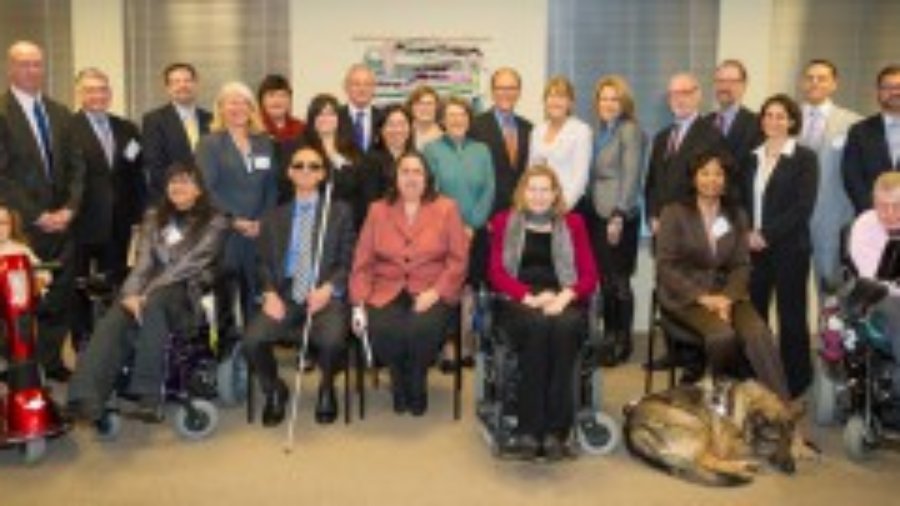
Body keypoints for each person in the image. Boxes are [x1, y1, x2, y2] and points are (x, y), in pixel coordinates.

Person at [67, 163, 228, 422]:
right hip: (148, 292)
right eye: (173, 182)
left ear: (199, 189)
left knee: (155, 301)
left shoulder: (215, 220)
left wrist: (146, 292)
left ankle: (148, 393)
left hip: (188, 291)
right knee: (115, 317)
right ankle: (84, 396)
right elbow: (143, 263)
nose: (178, 186)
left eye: (186, 181)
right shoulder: (154, 217)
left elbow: (191, 263)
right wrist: (130, 294)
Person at [656, 150, 790, 401]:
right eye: (705, 173)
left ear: (726, 179)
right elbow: (666, 267)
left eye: (718, 173)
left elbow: (741, 264)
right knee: (722, 335)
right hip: (685, 297)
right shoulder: (674, 213)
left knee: (758, 332)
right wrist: (704, 298)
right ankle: (721, 401)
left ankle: (780, 409)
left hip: (728, 293)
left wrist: (727, 298)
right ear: (694, 178)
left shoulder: (736, 214)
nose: (712, 179)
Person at [488, 165, 599, 460]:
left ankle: (556, 432)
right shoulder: (504, 221)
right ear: (523, 192)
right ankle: (528, 429)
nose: (538, 196)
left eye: (544, 190)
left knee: (563, 330)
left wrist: (563, 297)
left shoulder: (573, 224)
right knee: (536, 328)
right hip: (518, 299)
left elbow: (589, 275)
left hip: (563, 296)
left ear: (555, 194)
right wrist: (529, 297)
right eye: (532, 189)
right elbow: (497, 272)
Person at [242, 145, 355, 426]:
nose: (306, 171)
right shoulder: (272, 217)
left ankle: (327, 387)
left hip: (324, 291)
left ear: (322, 175)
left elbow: (348, 260)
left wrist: (329, 288)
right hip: (285, 292)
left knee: (331, 340)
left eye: (314, 166)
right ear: (290, 172)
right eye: (300, 165)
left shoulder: (339, 212)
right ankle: (275, 390)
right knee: (252, 340)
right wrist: (268, 292)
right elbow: (262, 263)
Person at [350, 151, 469, 416]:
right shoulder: (377, 209)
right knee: (382, 327)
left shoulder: (446, 208)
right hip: (385, 288)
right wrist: (358, 302)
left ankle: (417, 380)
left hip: (431, 288)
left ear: (427, 178)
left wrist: (437, 292)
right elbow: (362, 261)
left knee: (421, 329)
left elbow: (458, 259)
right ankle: (397, 377)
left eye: (418, 172)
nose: (411, 177)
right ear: (396, 177)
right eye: (405, 171)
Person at [0, 40, 86, 380]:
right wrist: (37, 214)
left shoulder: (60, 112)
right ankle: (17, 364)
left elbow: (77, 167)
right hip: (22, 225)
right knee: (16, 301)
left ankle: (50, 361)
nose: (32, 70)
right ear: (10, 68)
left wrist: (70, 209)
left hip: (63, 224)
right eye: (24, 64)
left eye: (37, 64)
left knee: (59, 296)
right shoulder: (2, 112)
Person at [744, 94, 819, 399]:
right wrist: (749, 232)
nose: (773, 121)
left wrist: (767, 234)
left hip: (789, 248)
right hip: (753, 249)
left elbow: (803, 207)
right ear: (761, 121)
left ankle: (796, 379)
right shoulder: (752, 157)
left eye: (780, 116)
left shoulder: (804, 158)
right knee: (755, 316)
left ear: (791, 121)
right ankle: (759, 373)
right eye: (768, 115)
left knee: (791, 316)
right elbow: (741, 200)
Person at [195, 81, 278, 354]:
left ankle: (257, 360)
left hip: (258, 234)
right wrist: (234, 220)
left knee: (257, 299)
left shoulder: (264, 142)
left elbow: (272, 187)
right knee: (225, 302)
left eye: (243, 102)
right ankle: (226, 363)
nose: (238, 108)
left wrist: (262, 222)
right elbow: (207, 189)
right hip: (226, 234)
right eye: (231, 102)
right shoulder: (209, 144)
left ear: (252, 108)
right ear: (220, 108)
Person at [69, 67, 145, 348]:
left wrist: (141, 216)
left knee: (117, 283)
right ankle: (81, 342)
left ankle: (112, 341)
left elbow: (137, 174)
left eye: (103, 89)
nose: (98, 95)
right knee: (79, 286)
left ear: (110, 93)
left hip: (120, 222)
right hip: (82, 221)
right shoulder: (67, 128)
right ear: (79, 94)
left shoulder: (127, 128)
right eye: (90, 90)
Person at [422, 96, 494, 368]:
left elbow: (489, 190)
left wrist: (472, 225)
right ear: (442, 120)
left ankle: (467, 345)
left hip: (476, 232)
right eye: (450, 115)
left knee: (470, 289)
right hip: (443, 232)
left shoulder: (482, 150)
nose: (456, 120)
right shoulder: (431, 149)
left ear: (468, 119)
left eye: (461, 114)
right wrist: (455, 226)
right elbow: (433, 191)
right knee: (448, 288)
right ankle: (448, 348)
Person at [586, 75, 645, 364]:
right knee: (606, 279)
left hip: (618, 215)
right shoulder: (603, 132)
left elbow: (632, 175)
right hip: (598, 213)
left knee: (619, 280)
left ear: (624, 103)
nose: (608, 104)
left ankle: (623, 341)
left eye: (614, 99)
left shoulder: (629, 130)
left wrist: (619, 214)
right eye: (603, 98)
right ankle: (609, 336)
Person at [798, 59, 861, 293]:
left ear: (834, 84)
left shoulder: (853, 123)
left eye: (822, 78)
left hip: (833, 221)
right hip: (793, 221)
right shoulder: (787, 119)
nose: (815, 83)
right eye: (810, 78)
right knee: (791, 290)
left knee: (832, 287)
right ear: (803, 83)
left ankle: (830, 331)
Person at [645, 72, 727, 233]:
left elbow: (720, 185)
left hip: (694, 229)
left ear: (698, 96)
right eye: (673, 94)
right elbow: (652, 182)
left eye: (685, 93)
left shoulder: (712, 135)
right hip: (661, 228)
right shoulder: (661, 138)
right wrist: (652, 215)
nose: (679, 99)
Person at [848, 172, 900, 399]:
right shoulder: (864, 226)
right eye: (882, 206)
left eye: (897, 206)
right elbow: (877, 280)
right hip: (879, 298)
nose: (889, 214)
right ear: (873, 203)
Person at [142, 62, 212, 204]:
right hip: (170, 201)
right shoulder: (154, 120)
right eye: (176, 82)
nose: (183, 86)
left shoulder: (211, 119)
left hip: (206, 201)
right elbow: (155, 166)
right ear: (168, 88)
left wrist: (199, 192)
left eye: (187, 81)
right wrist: (183, 193)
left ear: (196, 84)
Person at [469, 67, 533, 215]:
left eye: (512, 88)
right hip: (487, 213)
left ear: (519, 92)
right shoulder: (475, 126)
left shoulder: (528, 128)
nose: (506, 93)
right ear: (492, 92)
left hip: (520, 211)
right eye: (501, 88)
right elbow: (472, 176)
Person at [527, 75, 592, 212]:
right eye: (551, 96)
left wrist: (563, 207)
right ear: (545, 101)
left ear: (570, 103)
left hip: (569, 205)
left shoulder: (581, 130)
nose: (555, 101)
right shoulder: (538, 130)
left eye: (561, 97)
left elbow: (580, 177)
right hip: (540, 205)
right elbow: (532, 170)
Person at [843, 64, 900, 214]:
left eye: (898, 86)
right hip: (871, 218)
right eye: (887, 87)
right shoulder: (859, 131)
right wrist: (875, 212)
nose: (894, 92)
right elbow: (852, 177)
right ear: (878, 92)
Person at [304, 93, 365, 228]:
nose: (326, 118)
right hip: (311, 221)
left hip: (347, 223)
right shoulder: (302, 150)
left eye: (331, 114)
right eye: (320, 114)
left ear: (339, 118)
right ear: (312, 118)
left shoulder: (353, 150)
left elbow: (361, 187)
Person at [257, 73, 306, 203]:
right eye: (271, 95)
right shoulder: (253, 129)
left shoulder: (302, 128)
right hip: (261, 199)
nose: (277, 101)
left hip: (295, 197)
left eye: (282, 95)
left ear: (290, 100)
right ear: (261, 100)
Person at [359, 103, 414, 214]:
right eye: (391, 124)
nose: (397, 130)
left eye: (402, 124)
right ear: (381, 130)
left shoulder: (417, 158)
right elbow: (370, 204)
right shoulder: (370, 161)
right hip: (383, 223)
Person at [705, 59, 762, 165]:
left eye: (731, 81)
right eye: (720, 81)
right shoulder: (704, 123)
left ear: (743, 85)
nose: (724, 87)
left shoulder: (757, 124)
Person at [338, 63, 383, 153]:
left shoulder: (383, 118)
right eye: (356, 84)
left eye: (367, 84)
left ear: (374, 88)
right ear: (346, 88)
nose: (362, 89)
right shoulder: (335, 117)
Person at [406, 85, 443, 150]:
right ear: (411, 107)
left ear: (437, 107)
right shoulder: (402, 133)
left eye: (429, 104)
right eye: (420, 104)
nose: (425, 108)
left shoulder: (446, 134)